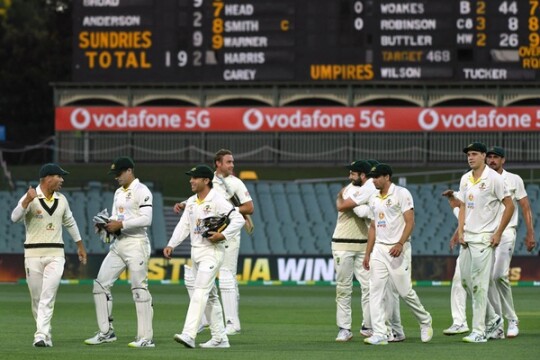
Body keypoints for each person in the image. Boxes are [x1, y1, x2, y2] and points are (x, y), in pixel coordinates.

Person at [173, 149, 255, 336]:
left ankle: (232, 323)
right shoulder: (208, 180)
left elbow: (249, 207)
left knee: (226, 277)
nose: (232, 165)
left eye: (232, 162)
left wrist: (228, 212)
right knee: (194, 278)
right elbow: (201, 200)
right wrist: (184, 204)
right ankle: (204, 321)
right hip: (206, 236)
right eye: (228, 162)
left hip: (227, 234)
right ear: (218, 163)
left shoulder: (235, 182)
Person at [164, 164, 245, 349]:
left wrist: (223, 235)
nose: (191, 180)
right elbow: (184, 225)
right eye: (191, 177)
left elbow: (238, 219)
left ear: (206, 180)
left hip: (212, 252)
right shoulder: (192, 201)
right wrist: (171, 244)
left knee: (200, 290)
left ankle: (189, 334)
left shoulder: (218, 200)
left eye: (195, 177)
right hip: (196, 252)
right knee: (211, 297)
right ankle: (220, 338)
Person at [11, 163, 87, 347]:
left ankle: (39, 335)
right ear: (48, 178)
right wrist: (26, 202)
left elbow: (70, 222)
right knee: (37, 298)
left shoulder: (62, 200)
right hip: (32, 255)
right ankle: (46, 335)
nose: (62, 180)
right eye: (59, 176)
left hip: (56, 254)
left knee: (47, 295)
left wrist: (80, 246)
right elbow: (14, 218)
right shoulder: (30, 196)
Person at [85, 156, 155, 348]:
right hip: (119, 244)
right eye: (115, 174)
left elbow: (146, 219)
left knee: (139, 289)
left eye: (119, 173)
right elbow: (117, 217)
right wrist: (106, 224)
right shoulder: (118, 192)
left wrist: (120, 224)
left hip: (137, 244)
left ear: (130, 171)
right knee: (100, 285)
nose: (116, 177)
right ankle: (106, 332)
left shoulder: (142, 191)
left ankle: (145, 338)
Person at [362, 163, 433, 345]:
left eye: (377, 177)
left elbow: (410, 222)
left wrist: (400, 243)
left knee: (404, 292)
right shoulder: (374, 198)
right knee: (375, 290)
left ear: (387, 177)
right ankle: (380, 333)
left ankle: (425, 321)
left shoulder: (401, 193)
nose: (374, 180)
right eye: (372, 177)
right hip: (379, 248)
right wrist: (367, 253)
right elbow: (372, 227)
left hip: (398, 249)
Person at [456, 142, 514, 343]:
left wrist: (498, 233)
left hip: (484, 238)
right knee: (466, 281)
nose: (470, 157)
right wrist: (460, 230)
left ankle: (479, 331)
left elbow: (509, 206)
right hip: (468, 238)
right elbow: (463, 205)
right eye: (468, 154)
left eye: (473, 154)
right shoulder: (465, 178)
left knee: (479, 286)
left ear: (483, 156)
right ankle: (494, 321)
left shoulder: (495, 179)